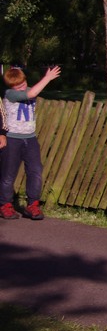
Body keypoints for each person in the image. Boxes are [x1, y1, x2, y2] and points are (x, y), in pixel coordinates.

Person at [0, 66, 60, 221]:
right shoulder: (10, 94)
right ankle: (5, 205)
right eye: (18, 87)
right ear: (11, 87)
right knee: (8, 174)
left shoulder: (29, 89)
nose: (21, 88)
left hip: (30, 138)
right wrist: (47, 78)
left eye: (23, 84)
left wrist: (45, 80)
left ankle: (32, 204)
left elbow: (33, 91)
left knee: (35, 171)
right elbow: (32, 93)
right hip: (12, 138)